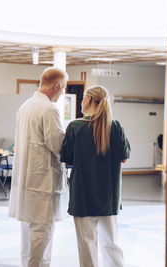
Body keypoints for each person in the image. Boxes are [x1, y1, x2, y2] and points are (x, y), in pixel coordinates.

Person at [60, 85, 130, 267]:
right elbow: (124, 158)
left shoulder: (75, 127)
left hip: (82, 196)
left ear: (90, 99)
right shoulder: (115, 127)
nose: (82, 101)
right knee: (112, 243)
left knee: (86, 245)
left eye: (83, 98)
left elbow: (66, 159)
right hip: (109, 196)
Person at [8, 67, 69, 267]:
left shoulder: (25, 106)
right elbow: (56, 144)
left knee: (28, 237)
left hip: (26, 182)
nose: (62, 94)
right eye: (63, 89)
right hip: (42, 184)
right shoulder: (49, 109)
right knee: (41, 237)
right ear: (56, 85)